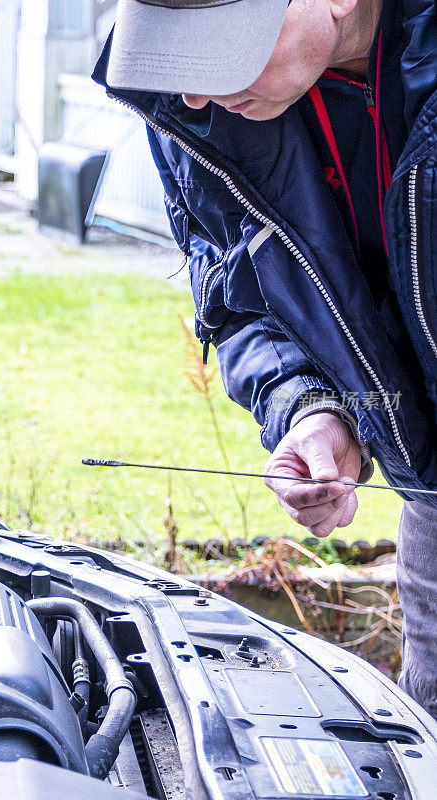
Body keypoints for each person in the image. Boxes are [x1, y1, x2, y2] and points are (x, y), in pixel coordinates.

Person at [93, 0, 437, 717]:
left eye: (216, 45)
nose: (190, 91)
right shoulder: (201, 112)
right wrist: (313, 408)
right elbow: (241, 295)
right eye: (171, 51)